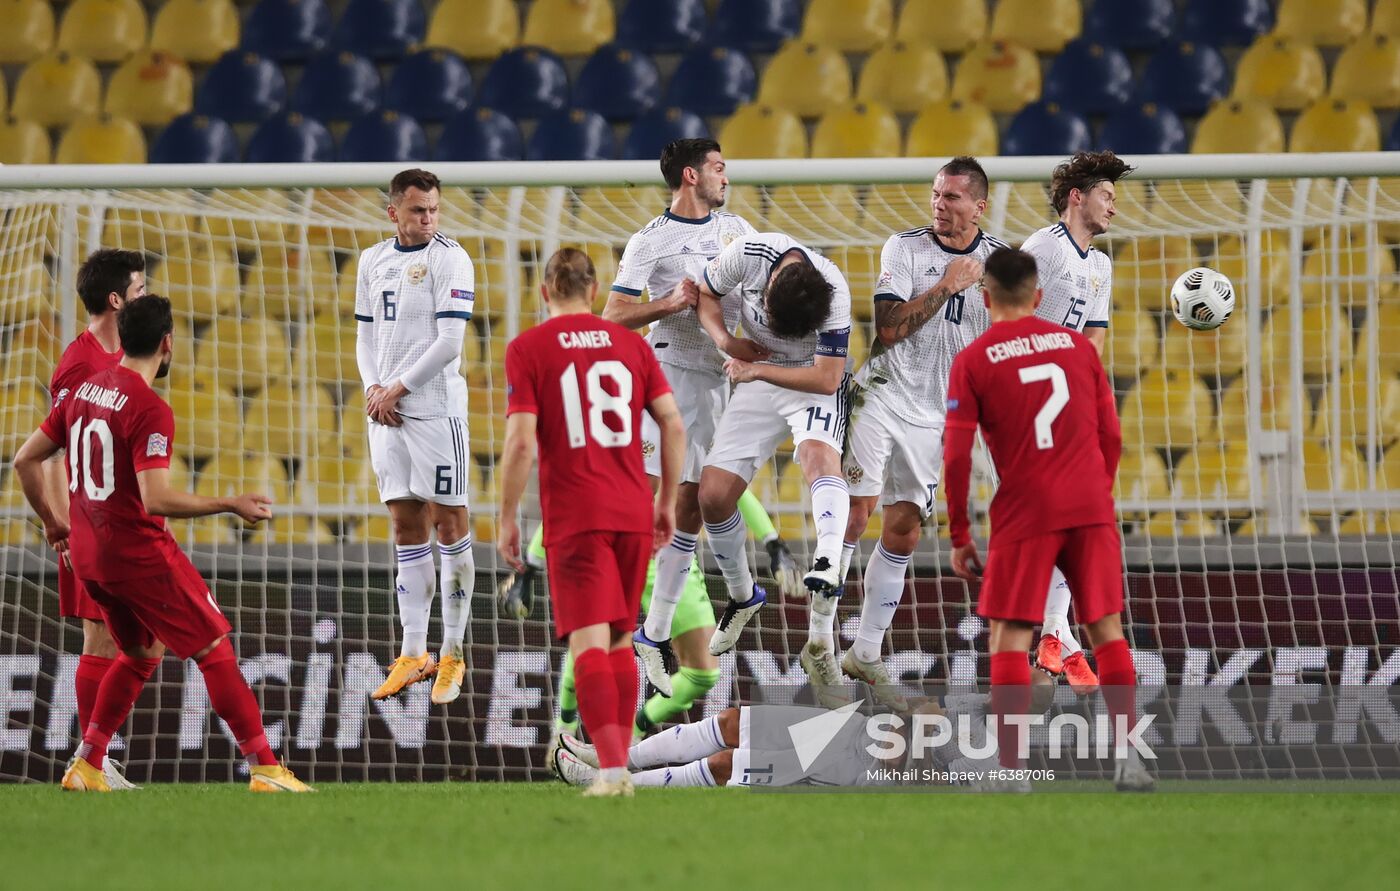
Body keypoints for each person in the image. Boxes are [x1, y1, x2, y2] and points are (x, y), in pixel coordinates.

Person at [502, 138, 799, 729]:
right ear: (691, 176)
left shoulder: (739, 228)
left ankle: (665, 629)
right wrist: (669, 302)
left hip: (717, 382)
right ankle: (610, 663)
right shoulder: (650, 240)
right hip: (662, 377)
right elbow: (612, 314)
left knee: (696, 503)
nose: (726, 175)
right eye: (718, 167)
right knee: (642, 499)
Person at [12, 295, 311, 792]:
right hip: (137, 554)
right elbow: (155, 499)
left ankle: (87, 762)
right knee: (215, 647)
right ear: (168, 343)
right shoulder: (150, 408)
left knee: (141, 650)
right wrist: (230, 502)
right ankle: (265, 768)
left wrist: (53, 522)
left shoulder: (83, 390)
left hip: (88, 556)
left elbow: (25, 460)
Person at [942, 248, 1152, 792]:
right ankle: (1130, 761)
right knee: (1105, 628)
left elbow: (957, 456)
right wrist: (1093, 497)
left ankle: (1012, 771)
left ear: (985, 299)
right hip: (1087, 505)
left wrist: (960, 534)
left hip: (1025, 508)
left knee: (1010, 635)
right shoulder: (1080, 348)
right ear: (1038, 297)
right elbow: (1112, 436)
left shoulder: (974, 360)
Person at [497, 248, 685, 797]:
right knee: (621, 641)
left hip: (577, 514)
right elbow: (673, 427)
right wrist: (667, 501)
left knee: (588, 645)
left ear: (544, 290)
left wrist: (508, 515)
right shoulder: (630, 345)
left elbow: (520, 440)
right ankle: (617, 763)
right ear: (596, 288)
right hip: (632, 508)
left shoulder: (528, 349)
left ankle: (609, 773)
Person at [838, 157, 1007, 709]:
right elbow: (888, 328)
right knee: (855, 513)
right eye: (937, 195)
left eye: (953, 198)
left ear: (979, 206)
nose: (940, 205)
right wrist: (948, 284)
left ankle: (865, 650)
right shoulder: (904, 248)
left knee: (904, 529)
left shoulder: (1003, 262)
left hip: (938, 413)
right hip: (883, 392)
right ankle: (819, 638)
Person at [694, 233, 853, 705]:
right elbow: (704, 294)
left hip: (806, 379)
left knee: (816, 456)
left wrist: (758, 370)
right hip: (756, 374)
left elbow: (828, 377)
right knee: (713, 496)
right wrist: (725, 339)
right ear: (767, 290)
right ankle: (743, 597)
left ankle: (826, 558)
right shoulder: (748, 253)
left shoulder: (834, 290)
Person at [354, 168, 478, 706]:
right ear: (393, 213)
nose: (428, 219)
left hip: (433, 412)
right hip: (386, 414)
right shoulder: (372, 260)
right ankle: (412, 653)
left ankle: (452, 652)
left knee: (449, 522)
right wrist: (372, 389)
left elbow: (450, 341)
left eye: (433, 210)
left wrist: (397, 389)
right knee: (405, 525)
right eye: (417, 211)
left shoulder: (451, 258)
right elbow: (363, 335)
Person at [1018, 150, 1135, 691]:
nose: (1113, 205)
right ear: (1076, 197)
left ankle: (1055, 637)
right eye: (1106, 195)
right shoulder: (1045, 249)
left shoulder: (1100, 265)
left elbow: (1094, 337)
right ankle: (1054, 634)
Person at [39, 248, 147, 789]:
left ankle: (94, 758)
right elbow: (52, 450)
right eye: (140, 289)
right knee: (102, 641)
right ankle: (92, 762)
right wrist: (63, 523)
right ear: (115, 299)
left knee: (125, 642)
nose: (147, 297)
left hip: (120, 522)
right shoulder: (79, 363)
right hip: (91, 525)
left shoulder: (128, 353)